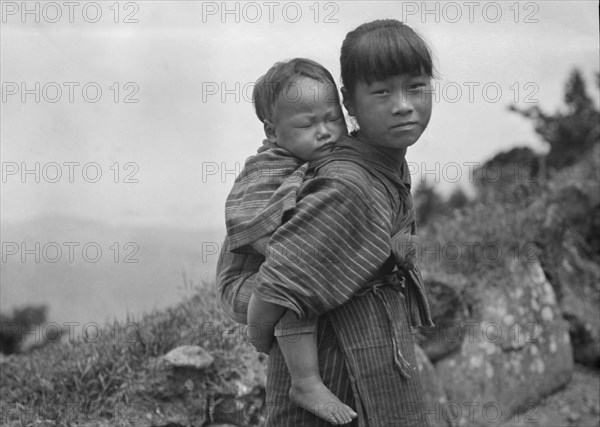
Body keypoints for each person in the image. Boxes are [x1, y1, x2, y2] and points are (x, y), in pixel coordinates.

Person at [218, 19, 435, 426]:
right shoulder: (348, 183)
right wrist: (260, 333)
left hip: (371, 353)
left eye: (417, 86)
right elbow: (283, 279)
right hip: (337, 370)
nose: (403, 103)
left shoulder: (381, 164)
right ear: (351, 103)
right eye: (382, 90)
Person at [221, 58, 358, 425]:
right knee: (297, 282)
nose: (325, 131)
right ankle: (305, 381)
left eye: (333, 118)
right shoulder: (266, 169)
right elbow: (250, 223)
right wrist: (301, 262)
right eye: (307, 124)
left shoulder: (322, 160)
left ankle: (270, 329)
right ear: (272, 130)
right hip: (244, 284)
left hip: (274, 274)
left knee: (299, 275)